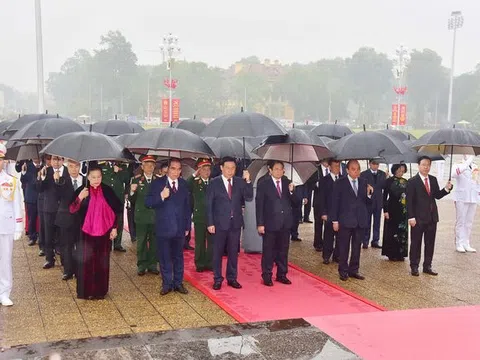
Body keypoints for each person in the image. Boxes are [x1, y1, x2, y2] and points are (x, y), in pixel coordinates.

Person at [69, 165, 123, 299]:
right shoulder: (82, 190)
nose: (96, 180)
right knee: (86, 263)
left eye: (99, 177)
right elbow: (71, 209)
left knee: (102, 262)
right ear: (87, 177)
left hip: (104, 233)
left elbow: (117, 209)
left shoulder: (107, 190)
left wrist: (114, 228)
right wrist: (80, 198)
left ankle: (100, 292)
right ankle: (85, 291)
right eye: (93, 177)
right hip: (85, 233)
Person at [145, 158, 191, 295]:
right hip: (164, 227)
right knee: (165, 257)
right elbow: (148, 202)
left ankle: (178, 283)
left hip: (180, 227)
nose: (176, 172)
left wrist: (188, 225)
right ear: (167, 169)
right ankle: (167, 284)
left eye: (178, 169)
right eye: (173, 168)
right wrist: (161, 196)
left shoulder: (183, 184)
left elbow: (188, 206)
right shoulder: (157, 183)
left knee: (178, 257)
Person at [206, 156, 253, 290]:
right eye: (227, 168)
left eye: (233, 168)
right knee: (217, 252)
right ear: (221, 168)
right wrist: (210, 223)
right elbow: (209, 205)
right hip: (219, 223)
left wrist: (248, 180)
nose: (230, 171)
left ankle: (232, 278)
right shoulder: (214, 183)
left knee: (233, 252)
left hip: (235, 223)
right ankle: (217, 278)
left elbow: (249, 196)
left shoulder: (239, 182)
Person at [406, 156, 452, 276]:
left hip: (432, 217)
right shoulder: (412, 182)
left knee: (430, 243)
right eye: (424, 164)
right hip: (417, 218)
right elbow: (409, 201)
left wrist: (446, 189)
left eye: (428, 165)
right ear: (419, 166)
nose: (426, 167)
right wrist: (411, 217)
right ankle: (414, 266)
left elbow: (437, 195)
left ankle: (427, 265)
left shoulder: (433, 179)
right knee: (416, 243)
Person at [256, 160, 299, 286]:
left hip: (285, 223)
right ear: (270, 170)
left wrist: (292, 192)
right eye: (276, 169)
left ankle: (282, 274)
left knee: (283, 250)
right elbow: (259, 205)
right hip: (269, 223)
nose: (279, 171)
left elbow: (296, 203)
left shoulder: (287, 182)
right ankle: (267, 275)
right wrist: (260, 223)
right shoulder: (263, 184)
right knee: (268, 250)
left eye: (281, 169)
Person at [331, 160, 373, 281]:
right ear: (347, 170)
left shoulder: (364, 182)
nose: (356, 172)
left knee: (356, 247)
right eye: (353, 169)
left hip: (360, 220)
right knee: (344, 247)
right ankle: (343, 270)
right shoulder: (340, 183)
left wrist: (369, 194)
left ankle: (354, 270)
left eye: (358, 169)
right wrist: (335, 220)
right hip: (345, 220)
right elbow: (335, 203)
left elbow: (367, 203)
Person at [0, 144, 23, 306]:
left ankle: (4, 292)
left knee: (5, 260)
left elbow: (17, 204)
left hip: (5, 225)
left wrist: (18, 226)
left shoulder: (11, 181)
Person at [55, 159, 85, 280]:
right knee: (66, 246)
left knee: (80, 245)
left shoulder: (86, 180)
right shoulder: (62, 180)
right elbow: (58, 195)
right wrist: (56, 181)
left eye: (76, 166)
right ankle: (68, 270)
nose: (74, 169)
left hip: (81, 219)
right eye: (71, 166)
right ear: (67, 167)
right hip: (65, 218)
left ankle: (79, 270)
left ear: (80, 167)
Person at [129, 155, 159, 275]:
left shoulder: (159, 180)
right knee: (141, 242)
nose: (149, 167)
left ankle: (152, 265)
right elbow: (131, 200)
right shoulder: (136, 180)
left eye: (152, 165)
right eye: (147, 164)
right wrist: (132, 191)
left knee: (154, 242)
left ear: (154, 166)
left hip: (155, 217)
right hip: (141, 216)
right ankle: (141, 265)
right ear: (142, 166)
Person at [37, 155, 68, 269]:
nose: (56, 162)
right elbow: (39, 189)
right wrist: (42, 178)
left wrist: (58, 180)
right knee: (48, 235)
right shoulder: (46, 171)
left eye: (59, 159)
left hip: (63, 209)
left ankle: (65, 260)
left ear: (63, 160)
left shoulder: (67, 171)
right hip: (49, 208)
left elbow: (67, 190)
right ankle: (49, 259)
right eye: (54, 159)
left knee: (63, 236)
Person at [187, 158, 213, 272]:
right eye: (204, 169)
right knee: (200, 242)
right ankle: (200, 263)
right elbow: (186, 185)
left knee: (211, 242)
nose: (206, 172)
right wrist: (194, 174)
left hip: (212, 217)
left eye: (208, 169)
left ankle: (210, 262)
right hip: (200, 216)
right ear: (199, 170)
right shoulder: (195, 182)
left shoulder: (213, 182)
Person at [451, 155, 480, 253]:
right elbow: (455, 174)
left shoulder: (475, 165)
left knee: (469, 222)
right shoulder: (458, 165)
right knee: (461, 221)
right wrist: (468, 161)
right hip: (462, 197)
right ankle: (459, 243)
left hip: (473, 197)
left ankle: (466, 242)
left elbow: (476, 181)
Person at [100, 161, 130, 252]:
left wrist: (120, 171)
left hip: (118, 199)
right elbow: (102, 179)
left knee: (119, 222)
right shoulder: (101, 165)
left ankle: (117, 244)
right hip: (107, 199)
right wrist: (113, 172)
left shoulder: (123, 166)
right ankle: (106, 243)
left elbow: (127, 179)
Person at [382, 164, 408, 261]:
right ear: (395, 170)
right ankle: (391, 253)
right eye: (399, 170)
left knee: (402, 232)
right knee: (392, 231)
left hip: (403, 209)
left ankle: (401, 253)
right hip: (392, 208)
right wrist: (385, 210)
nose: (401, 172)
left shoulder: (406, 182)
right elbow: (384, 197)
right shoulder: (389, 181)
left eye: (402, 170)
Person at [319, 159, 344, 264]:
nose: (337, 168)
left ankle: (337, 255)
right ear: (329, 167)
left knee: (340, 236)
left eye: (338, 166)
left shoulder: (343, 179)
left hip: (341, 213)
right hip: (329, 211)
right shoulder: (324, 180)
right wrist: (323, 212)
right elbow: (321, 198)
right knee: (328, 235)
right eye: (334, 166)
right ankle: (326, 255)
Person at [360, 159, 386, 249]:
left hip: (378, 201)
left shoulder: (382, 174)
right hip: (368, 201)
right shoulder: (363, 174)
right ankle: (365, 240)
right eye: (374, 164)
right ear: (369, 164)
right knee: (367, 221)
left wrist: (388, 177)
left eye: (377, 164)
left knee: (377, 222)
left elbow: (384, 186)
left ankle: (375, 240)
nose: (375, 166)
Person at [20, 158, 41, 246]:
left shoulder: (44, 166)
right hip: (31, 196)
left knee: (42, 220)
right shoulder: (27, 166)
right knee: (31, 219)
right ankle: (32, 237)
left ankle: (41, 238)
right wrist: (23, 172)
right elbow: (23, 180)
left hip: (42, 197)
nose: (36, 158)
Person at [312, 160, 330, 251]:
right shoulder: (316, 170)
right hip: (318, 202)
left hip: (329, 202)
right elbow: (309, 183)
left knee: (329, 224)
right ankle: (318, 243)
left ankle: (328, 243)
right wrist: (315, 184)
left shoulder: (332, 169)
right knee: (318, 223)